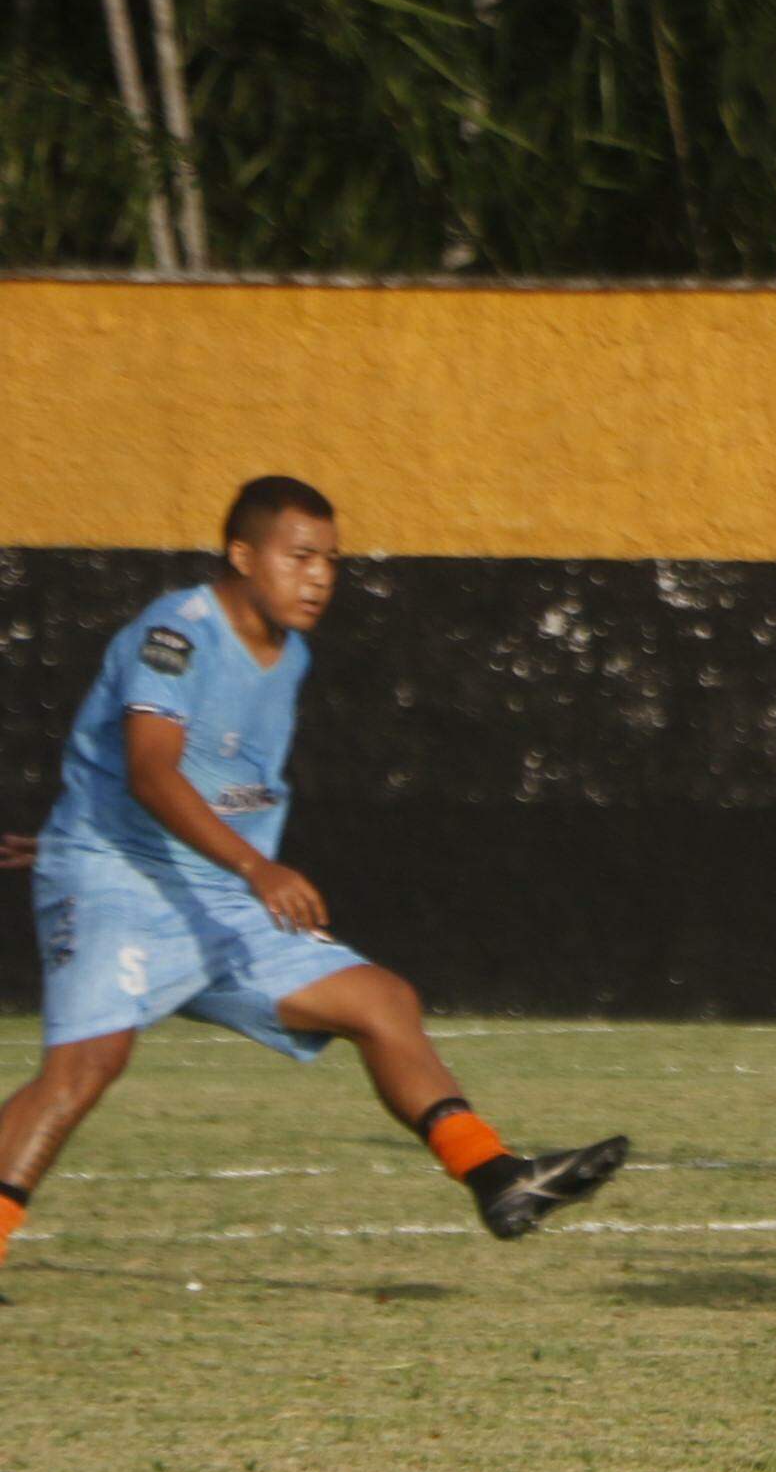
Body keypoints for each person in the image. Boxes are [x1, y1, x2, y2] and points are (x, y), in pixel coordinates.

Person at [0, 478, 628, 1289]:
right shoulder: (175, 634)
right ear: (241, 556)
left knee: (381, 1002)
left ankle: (495, 1174)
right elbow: (153, 776)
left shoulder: (288, 654)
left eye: (330, 559)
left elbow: (206, 774)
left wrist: (228, 868)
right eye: (299, 557)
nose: (321, 576)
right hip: (123, 881)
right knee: (86, 1066)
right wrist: (252, 865)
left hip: (220, 896)